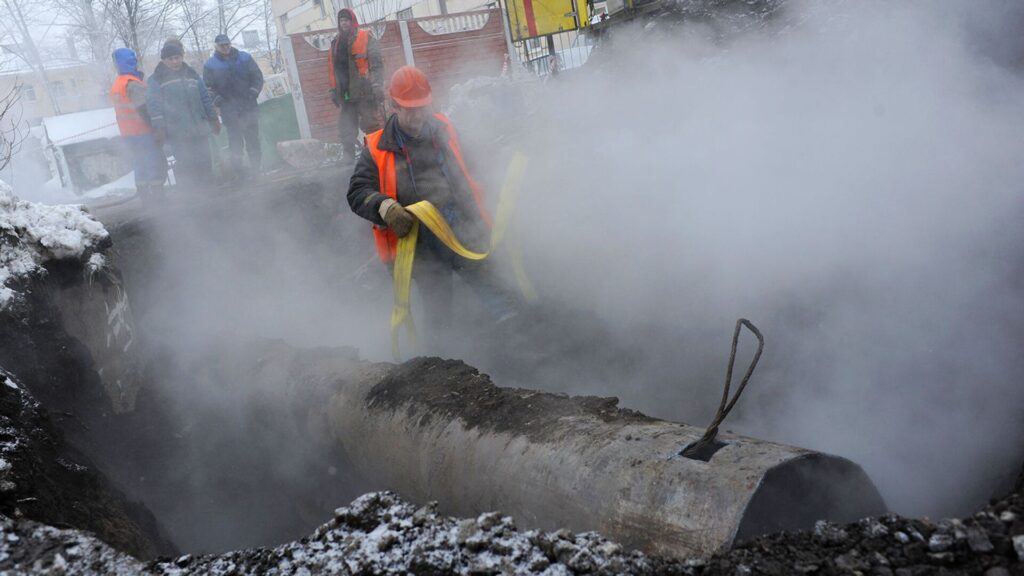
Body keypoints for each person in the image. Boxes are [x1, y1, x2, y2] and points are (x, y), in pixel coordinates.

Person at [348, 66, 517, 339]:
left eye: (421, 108)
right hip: (420, 242)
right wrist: (384, 206)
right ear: (394, 106)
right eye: (409, 109)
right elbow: (357, 191)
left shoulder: (445, 129)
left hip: (460, 225)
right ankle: (444, 363)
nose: (416, 116)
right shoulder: (377, 148)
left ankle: (519, 337)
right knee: (438, 308)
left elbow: (471, 165)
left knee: (493, 288)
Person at [148, 38, 220, 191]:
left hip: (199, 128)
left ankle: (210, 192)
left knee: (205, 161)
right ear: (164, 60)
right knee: (187, 164)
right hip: (177, 132)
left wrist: (213, 119)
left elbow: (204, 98)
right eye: (171, 59)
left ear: (182, 57)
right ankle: (192, 196)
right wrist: (159, 128)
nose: (175, 61)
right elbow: (154, 106)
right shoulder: (156, 79)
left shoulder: (192, 75)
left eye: (177, 57)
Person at [108, 48, 167, 203]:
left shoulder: (118, 84)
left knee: (140, 164)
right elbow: (143, 108)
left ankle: (145, 198)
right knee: (152, 162)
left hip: (128, 134)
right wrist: (156, 128)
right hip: (143, 132)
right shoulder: (132, 83)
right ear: (131, 62)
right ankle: (158, 198)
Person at [203, 33, 264, 180]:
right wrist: (219, 101)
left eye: (227, 44)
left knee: (252, 140)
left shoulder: (245, 58)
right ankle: (240, 173)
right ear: (216, 46)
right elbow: (208, 88)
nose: (225, 47)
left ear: (230, 44)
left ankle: (256, 170)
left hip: (248, 106)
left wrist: (253, 92)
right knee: (235, 142)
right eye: (222, 45)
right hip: (229, 110)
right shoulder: (210, 65)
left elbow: (257, 77)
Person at [328, 8, 384, 163]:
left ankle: (377, 153)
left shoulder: (365, 37)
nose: (344, 23)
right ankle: (348, 156)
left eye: (346, 20)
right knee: (346, 126)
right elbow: (332, 69)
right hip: (345, 93)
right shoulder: (336, 43)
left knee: (371, 124)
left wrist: (378, 84)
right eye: (341, 20)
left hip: (364, 91)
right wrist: (333, 90)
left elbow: (377, 63)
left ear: (352, 21)